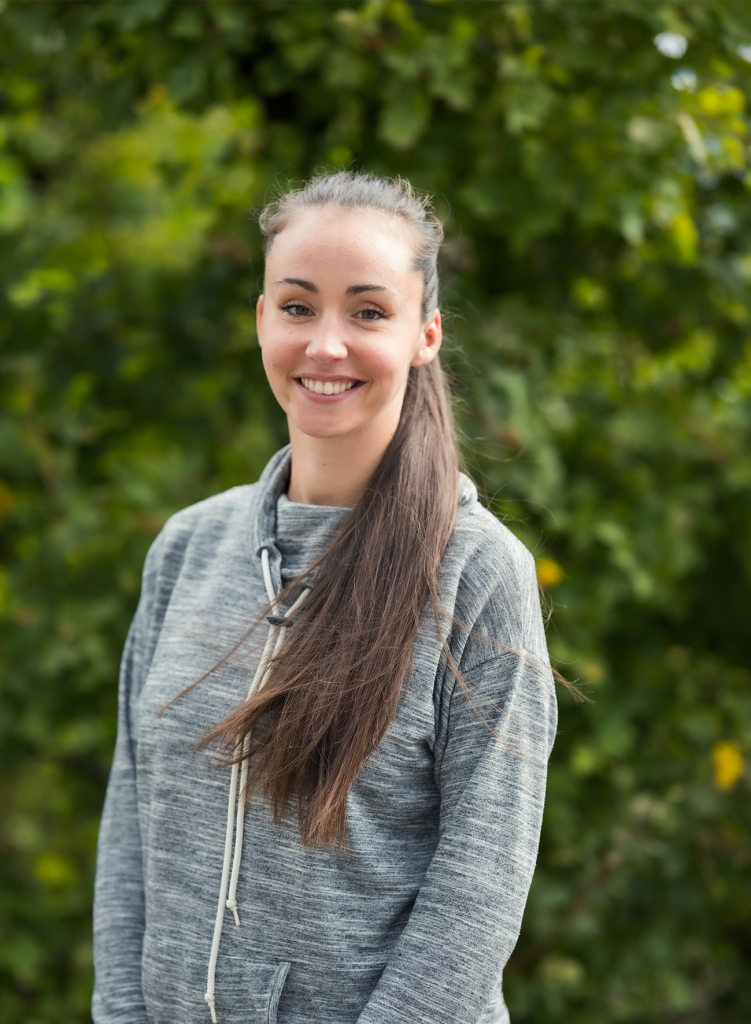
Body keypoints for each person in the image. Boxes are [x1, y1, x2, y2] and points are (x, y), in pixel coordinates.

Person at [92, 171, 558, 1024]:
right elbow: (132, 823)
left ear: (425, 334)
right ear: (261, 318)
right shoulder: (189, 547)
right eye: (299, 306)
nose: (327, 344)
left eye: (368, 312)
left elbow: (479, 885)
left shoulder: (479, 571)